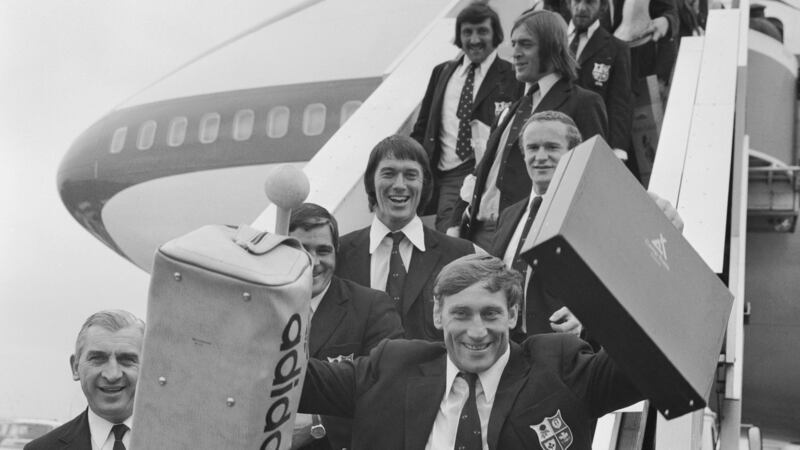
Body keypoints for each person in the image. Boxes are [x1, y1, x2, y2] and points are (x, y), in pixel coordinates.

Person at [299, 254, 642, 449]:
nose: (477, 332)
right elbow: (293, 377)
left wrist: (654, 256)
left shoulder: (560, 366)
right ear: (438, 314)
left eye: (490, 313)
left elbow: (650, 363)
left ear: (512, 314)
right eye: (461, 314)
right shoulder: (391, 366)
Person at [489, 111, 683, 341]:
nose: (540, 157)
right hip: (509, 348)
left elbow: (632, 275)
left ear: (573, 154)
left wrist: (663, 222)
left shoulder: (598, 209)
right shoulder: (508, 216)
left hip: (567, 351)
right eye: (532, 148)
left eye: (551, 147)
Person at [453, 9, 608, 249]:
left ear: (552, 48)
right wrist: (457, 221)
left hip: (527, 236)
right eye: (514, 44)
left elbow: (593, 180)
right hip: (477, 234)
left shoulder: (584, 103)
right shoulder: (512, 108)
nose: (514, 53)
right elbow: (482, 169)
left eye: (525, 44)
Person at [287, 203, 404, 450]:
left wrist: (318, 424)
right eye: (302, 250)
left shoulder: (371, 307)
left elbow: (393, 389)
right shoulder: (260, 306)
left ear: (336, 252)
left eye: (323, 250)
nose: (313, 261)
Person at [335, 135, 475, 341]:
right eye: (388, 173)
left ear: (424, 184)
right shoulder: (339, 253)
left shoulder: (461, 255)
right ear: (371, 182)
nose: (399, 185)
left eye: (410, 175)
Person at [411, 3, 522, 232]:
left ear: (496, 35)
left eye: (482, 31)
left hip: (486, 174)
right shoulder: (442, 72)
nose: (474, 39)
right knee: (448, 238)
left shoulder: (512, 76)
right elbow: (423, 127)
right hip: (444, 174)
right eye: (467, 32)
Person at [25, 310, 144, 450]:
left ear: (149, 368)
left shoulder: (175, 441)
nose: (112, 375)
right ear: (75, 367)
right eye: (98, 359)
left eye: (127, 360)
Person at [568, 0, 639, 180]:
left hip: (594, 140)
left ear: (603, 7)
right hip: (558, 139)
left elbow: (620, 101)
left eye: (590, 2)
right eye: (576, 1)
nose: (582, 7)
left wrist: (618, 149)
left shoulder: (616, 48)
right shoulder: (554, 41)